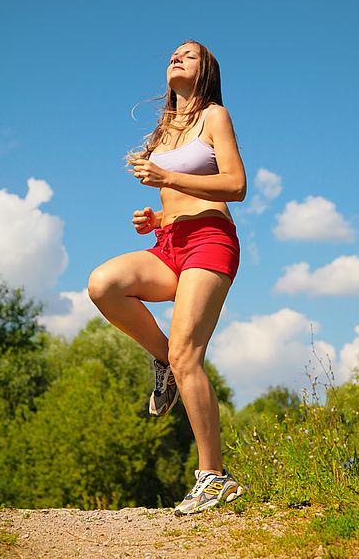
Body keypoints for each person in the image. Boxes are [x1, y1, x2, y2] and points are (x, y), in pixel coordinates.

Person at [88, 39, 247, 516]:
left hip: (210, 241)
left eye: (189, 54)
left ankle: (213, 477)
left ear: (205, 72)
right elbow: (173, 199)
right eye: (173, 53)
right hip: (170, 244)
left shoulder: (214, 116)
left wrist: (169, 179)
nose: (176, 57)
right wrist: (154, 220)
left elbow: (236, 186)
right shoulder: (163, 131)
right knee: (103, 284)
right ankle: (165, 364)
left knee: (188, 353)